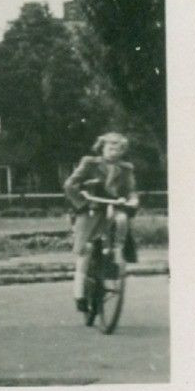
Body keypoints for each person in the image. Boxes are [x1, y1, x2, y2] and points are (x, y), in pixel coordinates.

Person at [63, 132, 139, 314]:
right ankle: (79, 294)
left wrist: (133, 201)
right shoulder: (90, 163)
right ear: (102, 148)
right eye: (110, 148)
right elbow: (70, 184)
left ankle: (116, 256)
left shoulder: (126, 168)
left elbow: (131, 190)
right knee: (85, 250)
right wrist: (81, 201)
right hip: (91, 208)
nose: (114, 152)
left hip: (114, 209)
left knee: (121, 223)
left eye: (118, 149)